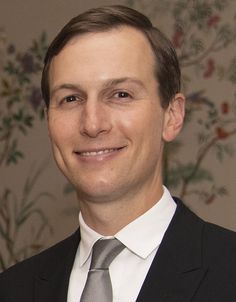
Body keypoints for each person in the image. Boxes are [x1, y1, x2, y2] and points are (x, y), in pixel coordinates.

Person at [0, 5, 236, 302]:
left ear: (172, 116)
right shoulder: (11, 289)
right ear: (48, 119)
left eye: (121, 94)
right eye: (71, 98)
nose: (92, 123)